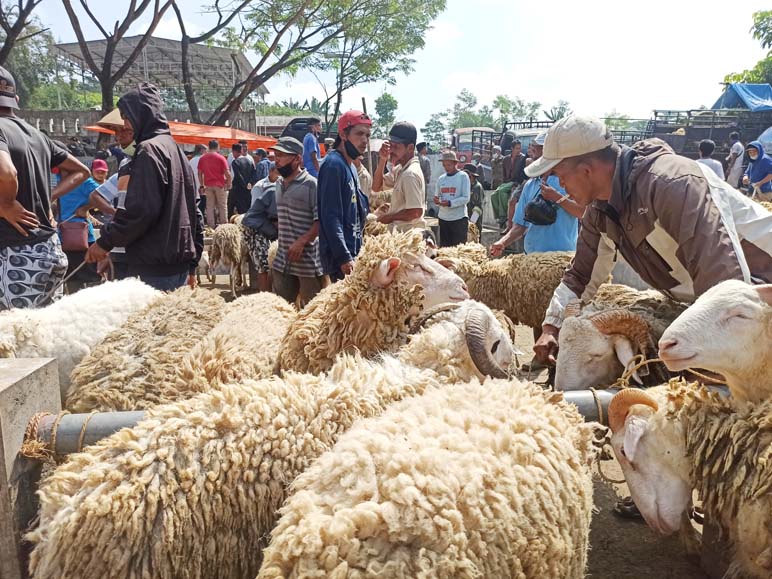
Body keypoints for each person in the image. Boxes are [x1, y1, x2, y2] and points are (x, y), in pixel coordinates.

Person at [523, 116, 772, 371]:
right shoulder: (599, 211)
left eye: (560, 175)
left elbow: (722, 274)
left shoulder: (672, 183)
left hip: (759, 293)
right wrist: (551, 326)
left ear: (586, 170)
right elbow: (580, 275)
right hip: (723, 304)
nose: (560, 185)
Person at [85, 82, 202, 292]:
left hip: (153, 266)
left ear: (140, 115)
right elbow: (194, 211)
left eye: (126, 118)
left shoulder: (149, 150)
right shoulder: (173, 149)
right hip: (175, 264)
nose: (124, 125)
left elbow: (141, 210)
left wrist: (104, 243)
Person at [491, 130, 583, 372]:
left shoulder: (567, 183)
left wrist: (558, 198)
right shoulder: (531, 185)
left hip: (562, 260)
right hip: (534, 260)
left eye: (540, 150)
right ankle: (540, 356)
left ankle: (563, 362)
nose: (535, 153)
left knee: (565, 313)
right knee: (536, 310)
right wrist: (504, 241)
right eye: (534, 149)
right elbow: (520, 224)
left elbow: (583, 212)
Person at [0, 66, 90, 309]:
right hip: (50, 251)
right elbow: (82, 171)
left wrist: (6, 205)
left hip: (16, 257)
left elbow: (6, 171)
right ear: (15, 100)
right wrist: (47, 196)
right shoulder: (37, 135)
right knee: (45, 336)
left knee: (16, 339)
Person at [270, 136, 326, 306]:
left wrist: (301, 242)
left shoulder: (312, 185)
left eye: (282, 156)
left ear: (297, 159)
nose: (277, 160)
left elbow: (320, 222)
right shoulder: (278, 184)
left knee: (312, 311)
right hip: (282, 260)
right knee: (281, 309)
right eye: (276, 155)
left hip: (307, 263)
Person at [317, 109, 371, 281]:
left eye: (368, 135)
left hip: (354, 250)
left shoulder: (352, 168)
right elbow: (330, 216)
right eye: (360, 134)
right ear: (343, 134)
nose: (365, 140)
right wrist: (344, 258)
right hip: (342, 259)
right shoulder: (333, 166)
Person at [57, 158, 110, 291]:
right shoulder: (58, 178)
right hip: (62, 236)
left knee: (92, 278)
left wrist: (86, 208)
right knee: (71, 279)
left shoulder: (83, 180)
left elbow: (105, 194)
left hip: (82, 238)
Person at [372, 121, 426, 231]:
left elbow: (415, 212)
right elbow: (376, 187)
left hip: (409, 238)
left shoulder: (409, 174)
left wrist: (389, 217)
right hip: (400, 235)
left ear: (410, 148)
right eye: (390, 145)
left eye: (396, 147)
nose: (391, 150)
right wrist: (383, 159)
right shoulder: (400, 169)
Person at [242, 162, 279, 292]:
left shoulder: (282, 188)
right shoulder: (266, 189)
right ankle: (265, 297)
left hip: (269, 228)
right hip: (256, 228)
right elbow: (256, 213)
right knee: (264, 264)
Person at [434, 151, 470, 247]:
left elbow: (466, 198)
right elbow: (437, 196)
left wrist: (450, 203)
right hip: (443, 218)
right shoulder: (441, 179)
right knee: (445, 249)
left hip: (458, 218)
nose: (446, 168)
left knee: (459, 249)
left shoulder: (463, 176)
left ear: (455, 163)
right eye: (444, 165)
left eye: (449, 165)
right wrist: (437, 201)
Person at [491, 140, 526, 229]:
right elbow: (503, 173)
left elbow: (520, 175)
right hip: (506, 182)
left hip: (515, 182)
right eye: (517, 148)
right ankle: (499, 217)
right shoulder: (506, 159)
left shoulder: (522, 158)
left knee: (502, 191)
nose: (519, 150)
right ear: (512, 148)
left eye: (519, 148)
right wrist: (503, 183)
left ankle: (503, 217)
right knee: (494, 195)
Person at [197, 139, 231, 226]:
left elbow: (199, 173)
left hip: (208, 185)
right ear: (217, 147)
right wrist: (229, 184)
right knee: (222, 206)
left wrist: (201, 185)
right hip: (220, 185)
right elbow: (227, 173)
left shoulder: (203, 158)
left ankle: (211, 227)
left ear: (209, 147)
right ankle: (224, 226)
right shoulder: (221, 158)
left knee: (210, 207)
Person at [229, 143, 254, 217]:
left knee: (233, 208)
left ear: (234, 151)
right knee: (247, 208)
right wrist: (250, 183)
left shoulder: (235, 162)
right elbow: (253, 173)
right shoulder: (249, 161)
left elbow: (237, 176)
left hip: (238, 189)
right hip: (248, 189)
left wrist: (243, 185)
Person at [463, 163, 484, 232]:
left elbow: (478, 207)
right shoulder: (466, 186)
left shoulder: (477, 187)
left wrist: (472, 223)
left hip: (474, 223)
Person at [417, 142, 433, 214]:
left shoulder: (413, 158)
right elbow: (428, 172)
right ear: (423, 149)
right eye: (425, 148)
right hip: (423, 181)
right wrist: (427, 180)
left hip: (413, 181)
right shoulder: (426, 160)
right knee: (423, 199)